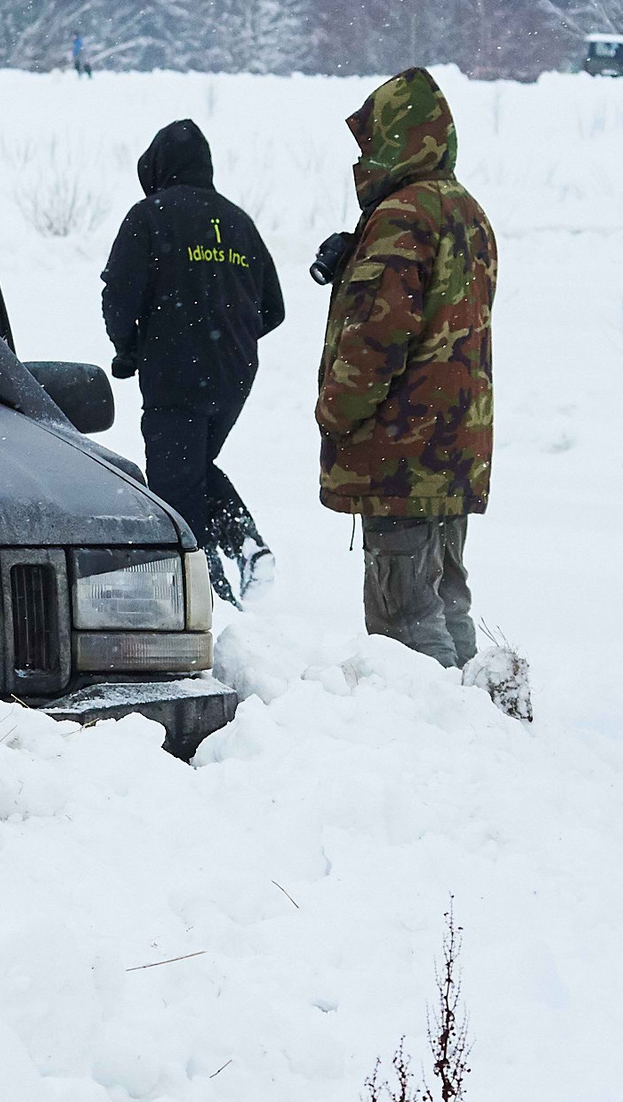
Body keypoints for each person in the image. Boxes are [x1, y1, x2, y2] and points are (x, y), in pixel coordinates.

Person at [311, 66, 498, 668]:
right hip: (454, 447)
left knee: (404, 617)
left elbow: (378, 337)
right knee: (446, 597)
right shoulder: (465, 211)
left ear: (398, 137)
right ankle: (479, 717)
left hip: (403, 452)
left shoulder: (403, 216)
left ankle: (435, 736)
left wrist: (335, 412)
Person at [101, 118, 283, 601]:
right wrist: (230, 337)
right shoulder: (239, 222)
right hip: (235, 376)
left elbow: (119, 293)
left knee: (174, 484)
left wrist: (128, 348)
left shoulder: (149, 216)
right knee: (192, 466)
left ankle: (207, 596)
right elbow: (275, 309)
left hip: (175, 373)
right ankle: (247, 552)